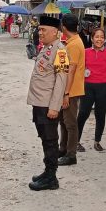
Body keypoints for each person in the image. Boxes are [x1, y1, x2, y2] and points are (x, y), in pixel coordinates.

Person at [27, 15, 69, 191]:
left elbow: (61, 80)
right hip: (39, 103)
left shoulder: (60, 51)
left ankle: (51, 178)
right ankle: (47, 171)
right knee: (45, 139)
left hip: (48, 106)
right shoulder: (46, 48)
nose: (40, 32)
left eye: (43, 30)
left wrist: (54, 107)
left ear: (55, 32)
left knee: (51, 140)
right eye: (39, 29)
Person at [77, 28, 106, 152]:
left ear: (104, 39)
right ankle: (76, 141)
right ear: (92, 38)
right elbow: (79, 68)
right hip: (88, 86)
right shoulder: (85, 52)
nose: (99, 39)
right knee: (83, 113)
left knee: (100, 115)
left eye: (101, 37)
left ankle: (97, 141)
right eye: (97, 37)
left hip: (103, 87)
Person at [58, 13, 86, 164]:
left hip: (72, 90)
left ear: (63, 27)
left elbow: (71, 70)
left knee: (70, 123)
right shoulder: (71, 42)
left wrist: (66, 93)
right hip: (68, 89)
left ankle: (71, 154)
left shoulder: (75, 44)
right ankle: (63, 148)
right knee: (63, 121)